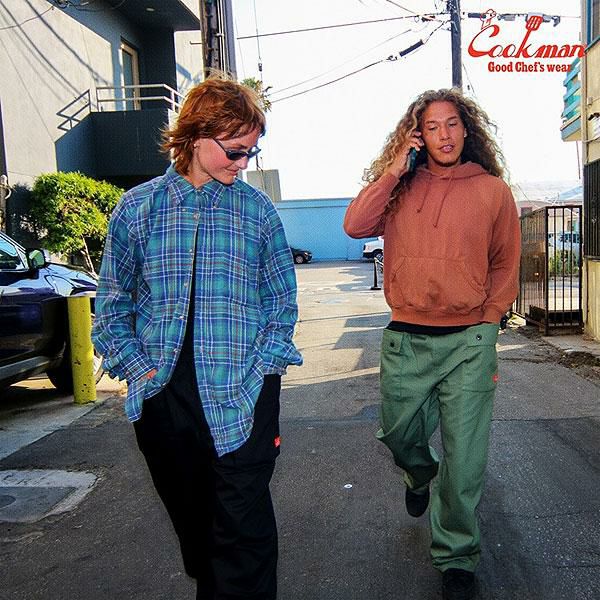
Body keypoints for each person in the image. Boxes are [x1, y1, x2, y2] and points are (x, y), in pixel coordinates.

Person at [92, 76, 302, 600]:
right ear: (194, 136)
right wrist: (140, 373)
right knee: (201, 534)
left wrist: (263, 371)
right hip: (165, 397)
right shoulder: (138, 209)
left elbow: (281, 303)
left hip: (244, 393)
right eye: (235, 151)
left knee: (245, 536)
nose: (243, 163)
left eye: (251, 152)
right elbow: (112, 305)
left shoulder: (258, 213)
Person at [344, 88, 520, 600]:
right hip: (407, 338)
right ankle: (418, 475)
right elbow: (354, 225)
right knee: (399, 435)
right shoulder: (400, 187)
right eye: (432, 126)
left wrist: (489, 320)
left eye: (452, 124)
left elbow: (505, 262)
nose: (444, 135)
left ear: (467, 129)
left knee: (464, 460)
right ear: (417, 134)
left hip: (469, 341)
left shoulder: (492, 191)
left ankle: (457, 557)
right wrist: (394, 170)